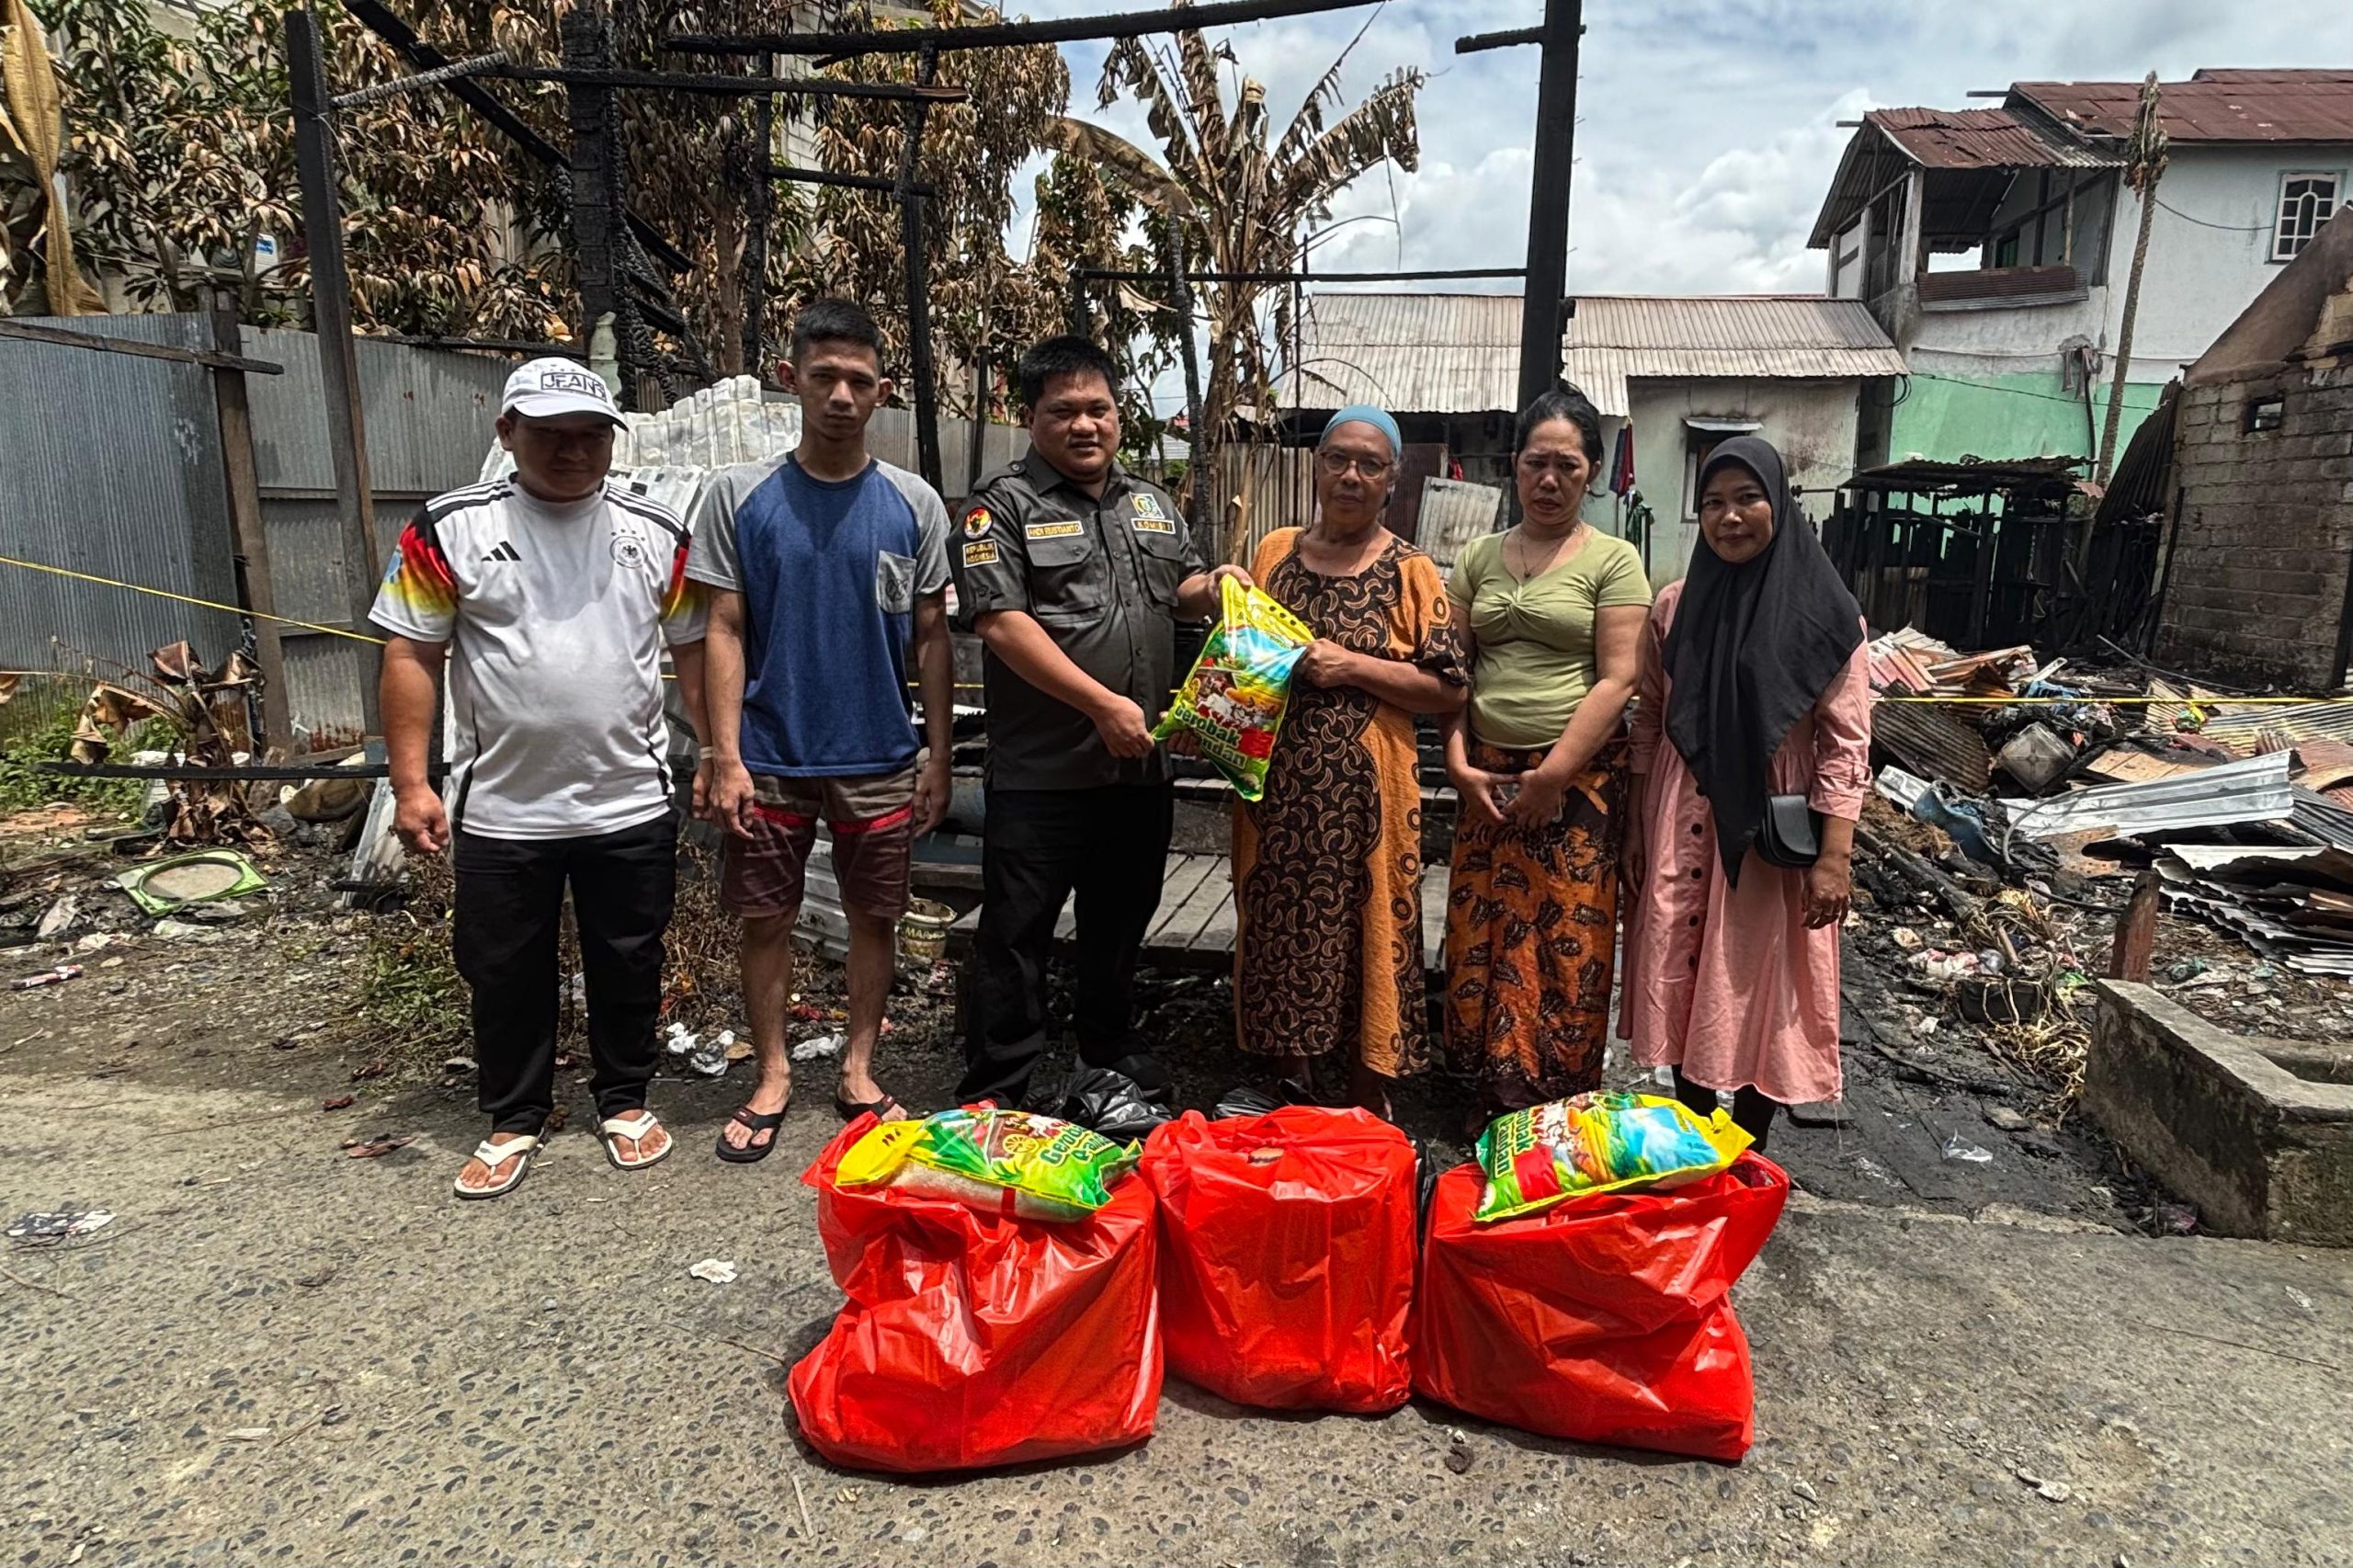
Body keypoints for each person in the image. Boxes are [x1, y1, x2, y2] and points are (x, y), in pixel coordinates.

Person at [374, 358, 707, 1200]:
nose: (572, 451)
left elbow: (696, 652)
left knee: (628, 956)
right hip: (504, 806)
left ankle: (624, 1101)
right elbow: (412, 652)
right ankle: (514, 1116)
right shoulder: (447, 528)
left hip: (627, 797)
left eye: (591, 435)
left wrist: (720, 755)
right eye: (551, 434)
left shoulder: (656, 531)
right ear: (507, 434)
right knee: (503, 966)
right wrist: (412, 784)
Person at [689, 300, 954, 1159]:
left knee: (876, 916)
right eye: (824, 377)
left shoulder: (913, 503)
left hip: (879, 755)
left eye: (858, 381)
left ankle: (858, 1067)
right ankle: (770, 1074)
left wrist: (937, 756)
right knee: (766, 917)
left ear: (882, 392)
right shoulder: (740, 496)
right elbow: (721, 628)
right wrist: (722, 753)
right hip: (768, 755)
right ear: (790, 379)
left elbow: (932, 639)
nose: (841, 395)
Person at [950, 335, 1237, 1108]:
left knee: (1121, 920)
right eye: (1065, 411)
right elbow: (1002, 624)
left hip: (1138, 766)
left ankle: (1109, 1050)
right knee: (1017, 934)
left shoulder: (1148, 500)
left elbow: (1179, 588)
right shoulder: (998, 507)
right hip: (1044, 774)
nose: (1086, 425)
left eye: (1099, 409)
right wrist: (1101, 704)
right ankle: (999, 1082)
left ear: (1120, 415)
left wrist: (1217, 586)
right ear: (1031, 417)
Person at [1619, 435, 1871, 1153]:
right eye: (1712, 504)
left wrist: (1835, 857)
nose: (1730, 518)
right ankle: (1696, 1137)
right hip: (1682, 810)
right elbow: (1649, 716)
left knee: (1758, 977)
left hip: (1770, 824)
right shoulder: (1675, 605)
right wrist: (1638, 828)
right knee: (1681, 964)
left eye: (1747, 499)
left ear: (1780, 505)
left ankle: (1746, 1148)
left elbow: (1845, 741)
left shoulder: (1827, 613)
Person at [1233, 404, 1467, 1116]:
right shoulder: (1274, 552)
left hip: (1368, 799)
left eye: (1370, 463)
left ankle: (1368, 1097)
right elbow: (1240, 644)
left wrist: (1352, 667)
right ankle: (1290, 1085)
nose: (1351, 475)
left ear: (1393, 477)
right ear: (1317, 464)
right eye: (1338, 458)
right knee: (1278, 927)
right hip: (1274, 790)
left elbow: (1447, 687)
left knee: (1370, 932)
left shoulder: (1411, 571)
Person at [1442, 386, 1652, 1121]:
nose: (1550, 479)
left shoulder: (1615, 561)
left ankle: (1551, 1099)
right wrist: (1459, 762)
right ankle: (1481, 1092)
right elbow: (1452, 672)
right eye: (1537, 463)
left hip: (1578, 785)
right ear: (1514, 467)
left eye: (1568, 464)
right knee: (1483, 935)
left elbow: (1620, 676)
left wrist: (1552, 775)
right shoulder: (1477, 556)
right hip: (1486, 777)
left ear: (1591, 470)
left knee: (1567, 940)